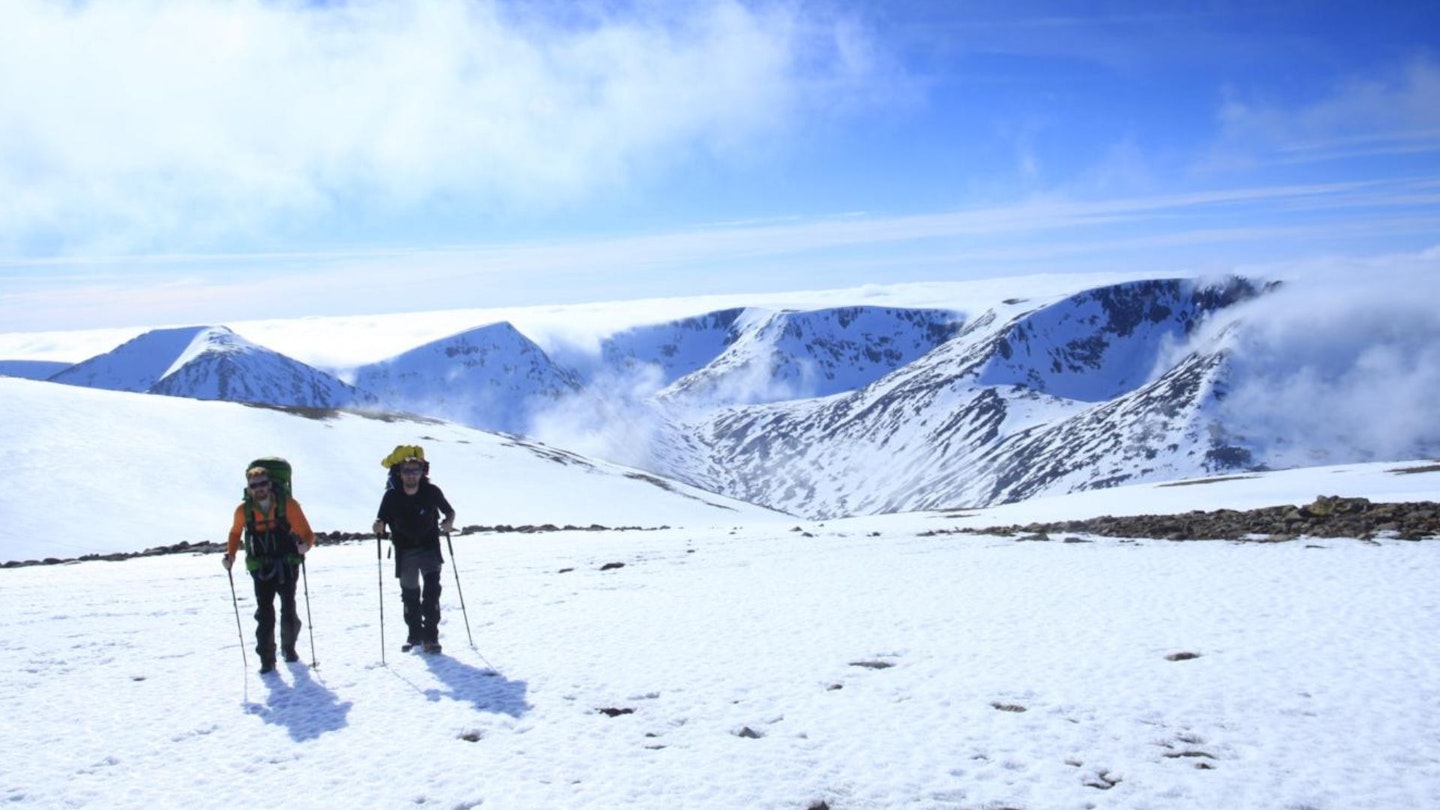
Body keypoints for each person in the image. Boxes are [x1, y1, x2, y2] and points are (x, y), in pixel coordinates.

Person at [223, 466, 315, 673]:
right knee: (265, 613)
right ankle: (267, 658)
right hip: (261, 567)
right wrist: (230, 555)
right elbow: (235, 533)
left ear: (270, 484)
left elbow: (308, 534)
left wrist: (305, 546)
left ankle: (288, 649)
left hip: (287, 564)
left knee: (288, 608)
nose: (259, 489)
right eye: (254, 486)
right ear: (248, 489)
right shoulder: (243, 511)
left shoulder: (288, 506)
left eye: (263, 484)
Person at [373, 456, 455, 653]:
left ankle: (431, 636)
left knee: (431, 592)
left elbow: (449, 512)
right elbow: (381, 518)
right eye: (407, 471)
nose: (411, 475)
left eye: (415, 471)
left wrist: (449, 521)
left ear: (422, 473)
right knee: (410, 596)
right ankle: (415, 635)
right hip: (405, 550)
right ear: (400, 474)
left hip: (429, 548)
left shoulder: (431, 492)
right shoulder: (391, 496)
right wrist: (379, 524)